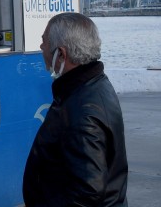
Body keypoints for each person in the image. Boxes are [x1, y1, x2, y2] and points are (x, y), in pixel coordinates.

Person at [23, 12, 128, 206]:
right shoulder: (92, 85)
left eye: (44, 42)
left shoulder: (83, 111)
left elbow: (87, 192)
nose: (41, 47)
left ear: (61, 54)